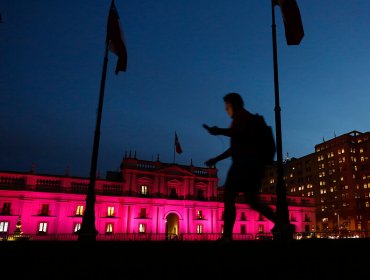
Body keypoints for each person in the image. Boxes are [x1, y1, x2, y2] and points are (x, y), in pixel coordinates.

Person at [203, 92, 294, 242]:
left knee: (229, 196)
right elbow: (236, 146)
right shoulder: (247, 119)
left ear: (234, 105)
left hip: (243, 164)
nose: (226, 110)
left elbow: (238, 135)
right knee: (252, 200)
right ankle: (283, 224)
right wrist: (217, 158)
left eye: (227, 106)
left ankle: (227, 236)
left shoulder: (242, 117)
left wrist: (219, 131)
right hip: (255, 165)